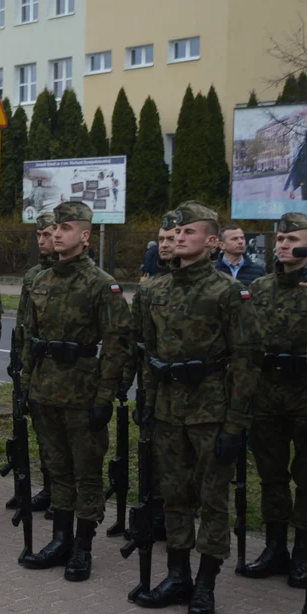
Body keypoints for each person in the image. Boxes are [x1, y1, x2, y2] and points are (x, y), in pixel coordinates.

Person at [133, 201, 258, 614]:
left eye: (190, 232)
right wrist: (147, 404)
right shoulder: (153, 291)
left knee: (212, 500)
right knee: (174, 497)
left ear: (211, 242)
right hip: (168, 410)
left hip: (212, 411)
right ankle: (178, 576)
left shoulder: (228, 291)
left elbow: (245, 360)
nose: (181, 238)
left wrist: (235, 424)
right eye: (176, 232)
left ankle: (206, 585)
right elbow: (148, 354)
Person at [20, 201, 131, 582]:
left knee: (86, 473)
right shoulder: (40, 280)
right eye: (55, 229)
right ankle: (60, 540)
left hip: (82, 393)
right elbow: (29, 339)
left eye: (65, 228)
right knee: (56, 469)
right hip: (44, 390)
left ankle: (82, 547)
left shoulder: (101, 283)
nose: (56, 234)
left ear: (85, 236)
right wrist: (25, 386)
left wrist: (104, 397)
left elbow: (117, 344)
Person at [240, 212, 307, 586]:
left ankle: (304, 551)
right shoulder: (259, 288)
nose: (284, 245)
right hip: (267, 393)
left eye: (293, 239)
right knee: (271, 475)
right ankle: (275, 548)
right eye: (280, 239)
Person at [123, 213, 180, 543]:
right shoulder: (148, 291)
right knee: (151, 454)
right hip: (152, 387)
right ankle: (154, 515)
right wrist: (126, 383)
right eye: (162, 239)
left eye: (172, 238)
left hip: (195, 394)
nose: (167, 244)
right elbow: (136, 342)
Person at [12, 213, 58, 516]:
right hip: (37, 366)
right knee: (43, 433)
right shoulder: (33, 275)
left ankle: (65, 495)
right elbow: (23, 323)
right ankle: (50, 488)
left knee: (67, 439)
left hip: (67, 369)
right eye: (38, 235)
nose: (41, 240)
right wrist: (17, 361)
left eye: (47, 234)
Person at [284, 115, 307, 200]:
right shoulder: (301, 143)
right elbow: (296, 166)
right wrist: (292, 188)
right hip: (305, 187)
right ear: (306, 121)